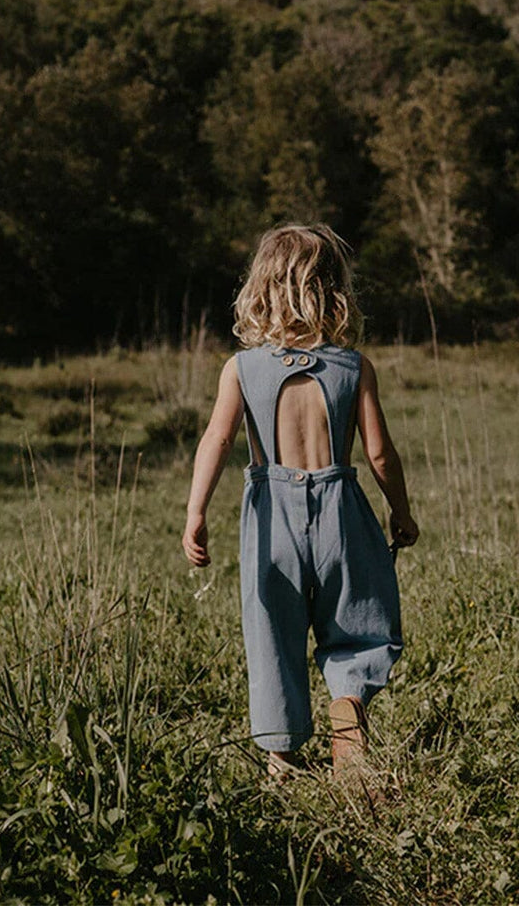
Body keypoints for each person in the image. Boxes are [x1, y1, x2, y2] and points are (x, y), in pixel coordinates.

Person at [181, 223, 418, 779]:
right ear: (335, 291)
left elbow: (215, 440)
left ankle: (281, 757)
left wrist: (196, 513)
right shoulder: (353, 367)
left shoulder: (241, 369)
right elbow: (380, 453)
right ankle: (349, 702)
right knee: (358, 619)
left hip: (271, 519)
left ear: (259, 287)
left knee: (272, 630)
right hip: (341, 505)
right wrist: (401, 512)